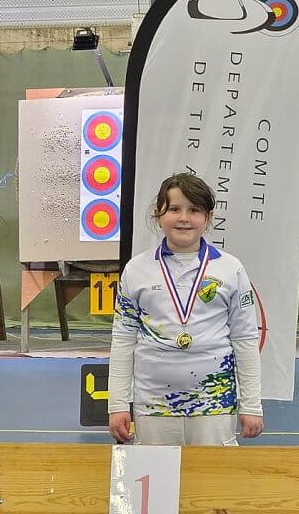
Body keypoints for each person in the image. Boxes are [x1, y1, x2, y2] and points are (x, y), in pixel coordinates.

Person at [108, 172, 263, 446]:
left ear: (208, 217)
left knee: (211, 474)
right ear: (158, 214)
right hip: (153, 403)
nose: (184, 218)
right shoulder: (136, 270)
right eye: (174, 209)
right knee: (155, 473)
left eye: (194, 210)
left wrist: (251, 405)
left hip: (214, 403)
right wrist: (118, 404)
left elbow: (245, 339)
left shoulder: (230, 269)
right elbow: (123, 340)